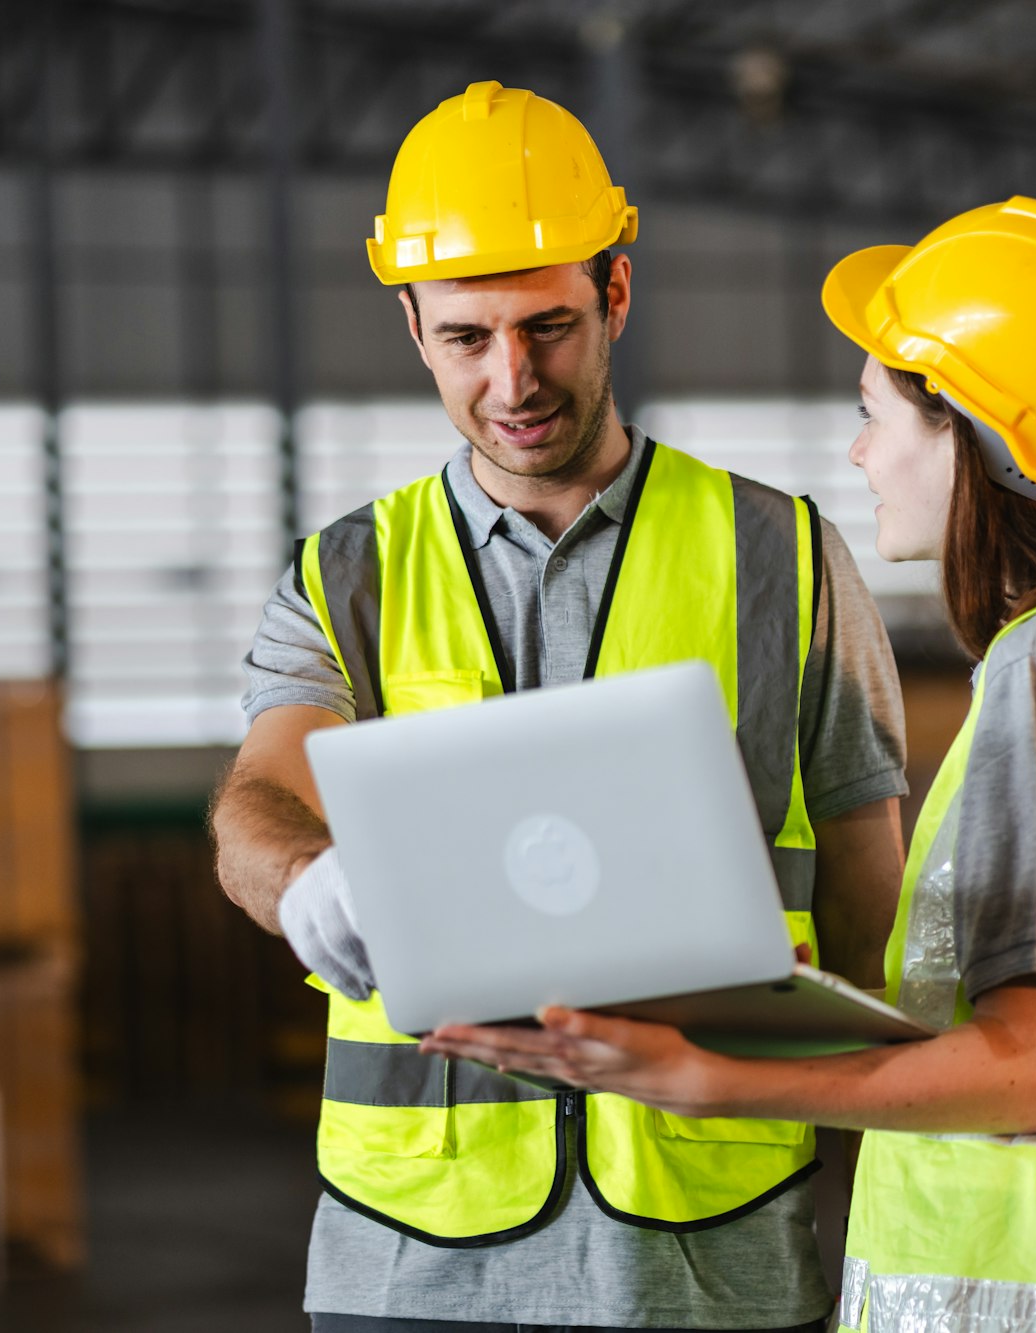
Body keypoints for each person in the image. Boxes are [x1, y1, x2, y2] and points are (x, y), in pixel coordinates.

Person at [423, 196, 1036, 1333]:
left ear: (965, 433)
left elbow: (1027, 1066)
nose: (859, 450)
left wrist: (700, 1078)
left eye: (875, 412)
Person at [211, 81, 913, 1331]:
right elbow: (261, 797)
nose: (513, 377)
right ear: (412, 329)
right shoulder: (348, 577)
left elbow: (869, 884)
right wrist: (307, 874)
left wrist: (899, 1149)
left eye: (548, 326)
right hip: (410, 1258)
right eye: (466, 337)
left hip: (710, 1249)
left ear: (617, 295)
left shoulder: (784, 558)